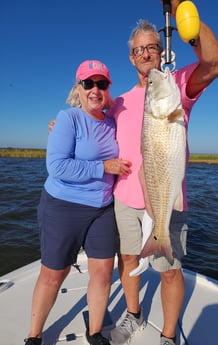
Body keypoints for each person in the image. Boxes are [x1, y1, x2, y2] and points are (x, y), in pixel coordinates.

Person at [108, 1, 218, 345]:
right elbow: (92, 126)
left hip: (165, 197)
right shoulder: (120, 102)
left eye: (152, 47)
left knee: (170, 271)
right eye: (139, 50)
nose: (146, 54)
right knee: (128, 258)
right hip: (125, 199)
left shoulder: (176, 85)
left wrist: (182, 12)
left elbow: (217, 62)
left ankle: (168, 334)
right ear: (131, 58)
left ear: (161, 52)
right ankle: (133, 315)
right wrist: (59, 127)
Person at [24, 60, 132, 345]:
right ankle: (34, 335)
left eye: (101, 84)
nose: (95, 90)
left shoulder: (113, 121)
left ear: (108, 89)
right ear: (79, 88)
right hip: (63, 206)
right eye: (88, 83)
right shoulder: (67, 118)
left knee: (103, 272)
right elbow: (57, 167)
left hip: (102, 209)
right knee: (53, 273)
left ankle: (95, 332)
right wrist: (103, 167)